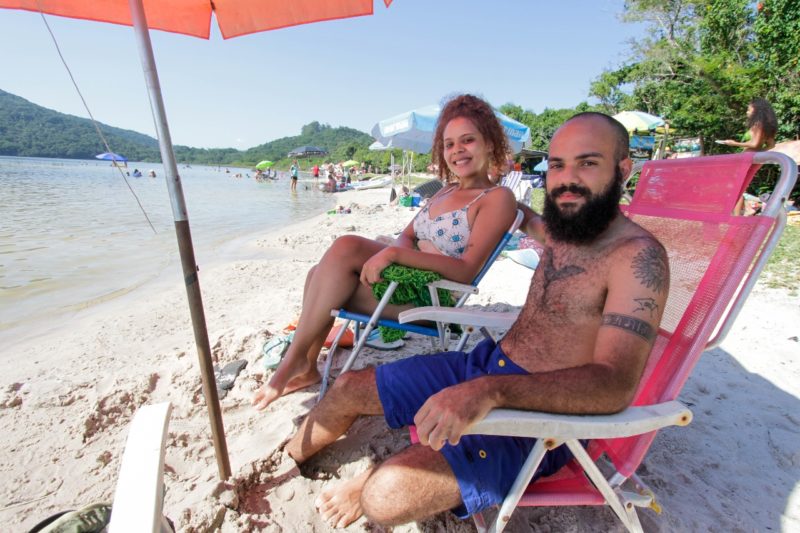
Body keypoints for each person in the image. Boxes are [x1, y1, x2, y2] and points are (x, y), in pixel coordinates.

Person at [279, 112, 670, 528]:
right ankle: (284, 461)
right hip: (485, 365)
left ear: (623, 170)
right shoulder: (565, 230)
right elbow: (514, 212)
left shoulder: (637, 258)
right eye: (557, 165)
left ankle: (374, 477)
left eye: (588, 163)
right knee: (347, 387)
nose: (567, 179)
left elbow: (614, 386)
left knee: (384, 495)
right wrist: (482, 186)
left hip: (544, 419)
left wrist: (489, 391)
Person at [251, 94, 518, 412]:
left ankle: (292, 363)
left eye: (468, 140)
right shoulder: (445, 190)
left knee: (344, 249)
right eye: (449, 144)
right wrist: (400, 254)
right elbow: (407, 236)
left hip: (435, 298)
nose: (457, 150)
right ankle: (306, 368)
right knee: (318, 273)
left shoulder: (496, 198)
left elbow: (466, 271)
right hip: (406, 282)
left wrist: (395, 257)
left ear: (489, 143)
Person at [719, 98, 778, 214]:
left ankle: (734, 216)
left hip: (747, 159)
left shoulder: (758, 124)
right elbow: (771, 145)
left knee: (735, 188)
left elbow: (754, 143)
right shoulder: (767, 125)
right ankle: (738, 213)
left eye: (749, 109)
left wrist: (734, 143)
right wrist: (759, 153)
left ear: (756, 110)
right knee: (739, 188)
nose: (747, 112)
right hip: (755, 160)